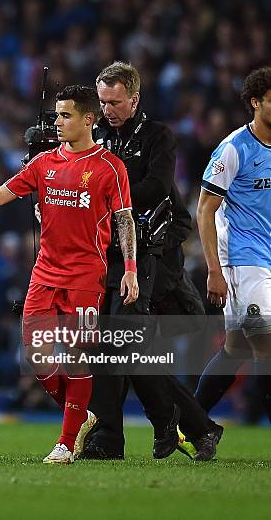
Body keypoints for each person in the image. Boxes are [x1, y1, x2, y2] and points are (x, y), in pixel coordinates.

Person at [0, 85, 139, 464]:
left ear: (89, 119)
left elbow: (124, 219)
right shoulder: (44, 163)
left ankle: (66, 444)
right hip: (44, 274)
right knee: (38, 360)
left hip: (85, 277)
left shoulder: (110, 167)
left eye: (66, 115)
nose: (58, 122)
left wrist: (130, 270)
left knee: (77, 359)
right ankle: (80, 415)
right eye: (56, 115)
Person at [81, 61, 221, 461]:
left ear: (134, 98)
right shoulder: (100, 138)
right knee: (119, 349)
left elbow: (155, 189)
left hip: (155, 259)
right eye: (103, 102)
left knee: (120, 348)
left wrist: (102, 195)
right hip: (117, 255)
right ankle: (189, 427)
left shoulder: (158, 136)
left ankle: (121, 435)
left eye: (115, 102)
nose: (107, 110)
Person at [194, 66, 271, 421]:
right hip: (244, 258)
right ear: (255, 102)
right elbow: (205, 210)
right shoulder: (233, 149)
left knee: (236, 348)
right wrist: (214, 270)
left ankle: (190, 424)